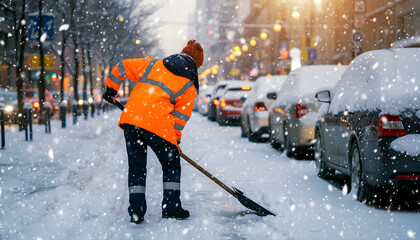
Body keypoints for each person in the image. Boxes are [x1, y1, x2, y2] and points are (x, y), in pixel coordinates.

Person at [103, 40, 203, 224]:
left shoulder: (153, 64)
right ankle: (171, 207)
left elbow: (121, 67)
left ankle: (136, 212)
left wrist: (111, 88)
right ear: (195, 65)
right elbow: (179, 120)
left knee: (136, 168)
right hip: (158, 125)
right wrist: (175, 141)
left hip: (132, 120)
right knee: (171, 165)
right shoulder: (189, 86)